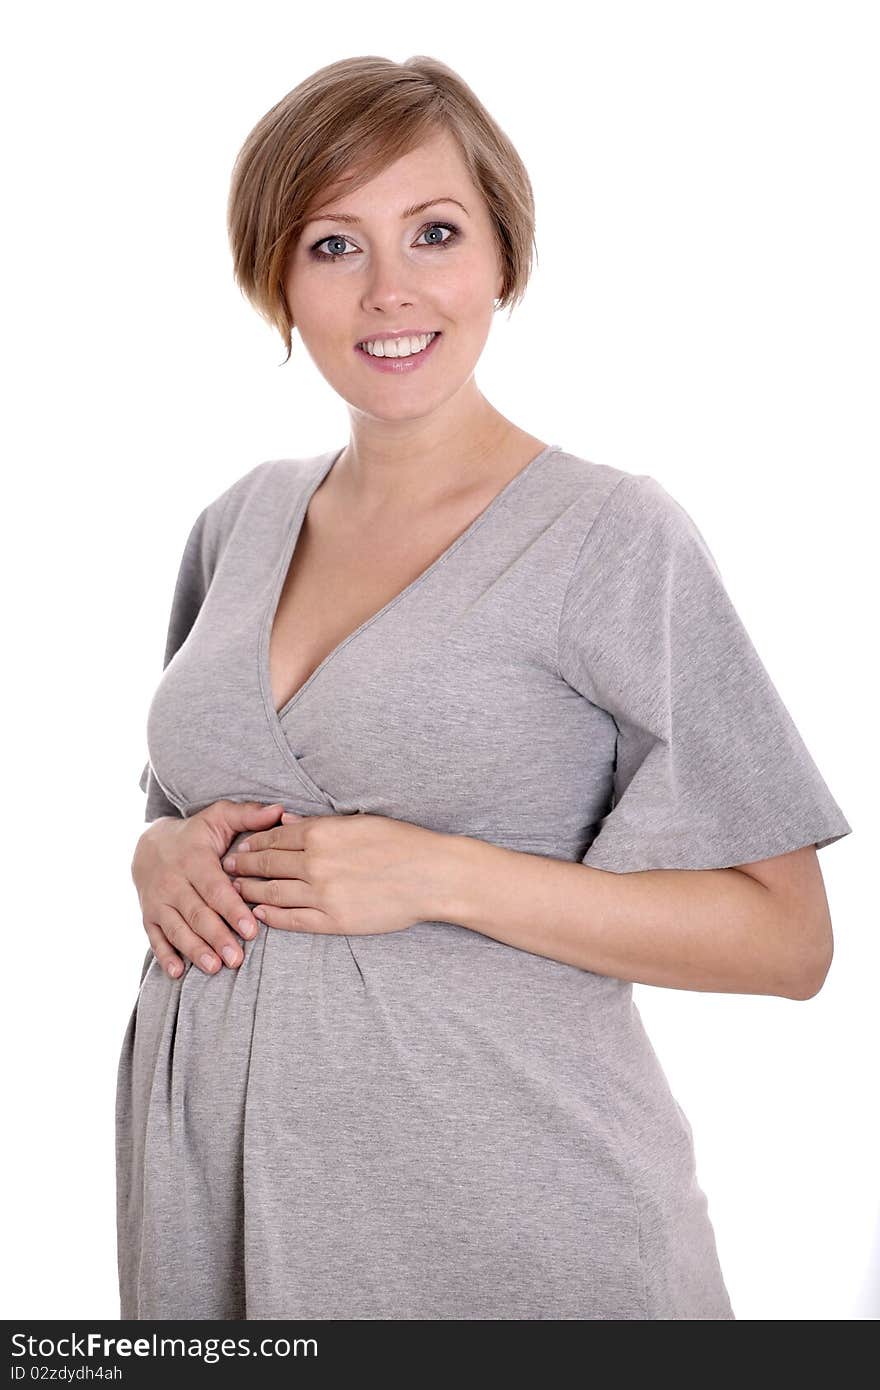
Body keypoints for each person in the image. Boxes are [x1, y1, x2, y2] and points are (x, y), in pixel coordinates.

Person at [116, 54, 852, 1321]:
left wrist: (441, 874)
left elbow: (788, 941)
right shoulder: (236, 522)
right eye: (332, 244)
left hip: (510, 1216)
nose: (390, 289)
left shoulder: (610, 537)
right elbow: (186, 804)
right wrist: (156, 854)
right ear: (276, 281)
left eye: (435, 233)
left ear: (503, 259)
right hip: (217, 1207)